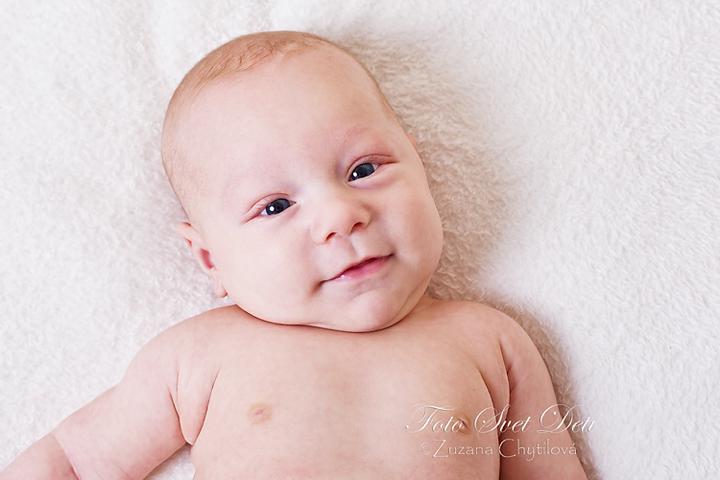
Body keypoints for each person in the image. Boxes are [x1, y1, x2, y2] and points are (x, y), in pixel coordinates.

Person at [0, 30, 588, 479]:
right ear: (211, 260)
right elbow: (74, 461)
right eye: (276, 206)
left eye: (363, 170)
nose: (339, 216)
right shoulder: (200, 355)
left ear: (421, 165)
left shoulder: (489, 341)